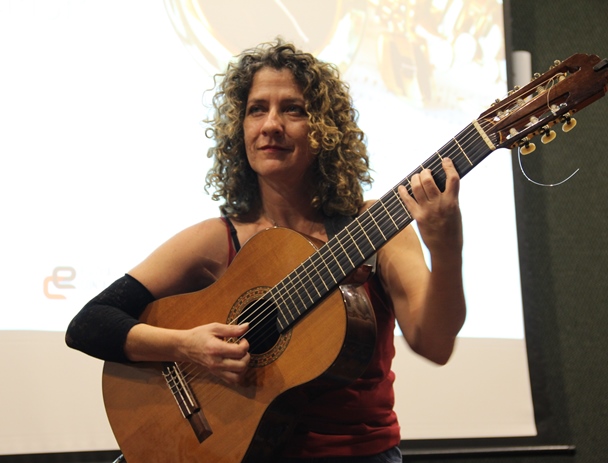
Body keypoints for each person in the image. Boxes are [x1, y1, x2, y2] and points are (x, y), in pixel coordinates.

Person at [66, 39, 466, 462]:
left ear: (325, 128)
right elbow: (89, 324)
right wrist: (185, 346)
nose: (271, 124)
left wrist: (447, 249)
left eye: (293, 109)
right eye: (257, 109)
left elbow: (435, 345)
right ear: (240, 128)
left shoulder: (372, 227)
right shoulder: (216, 241)